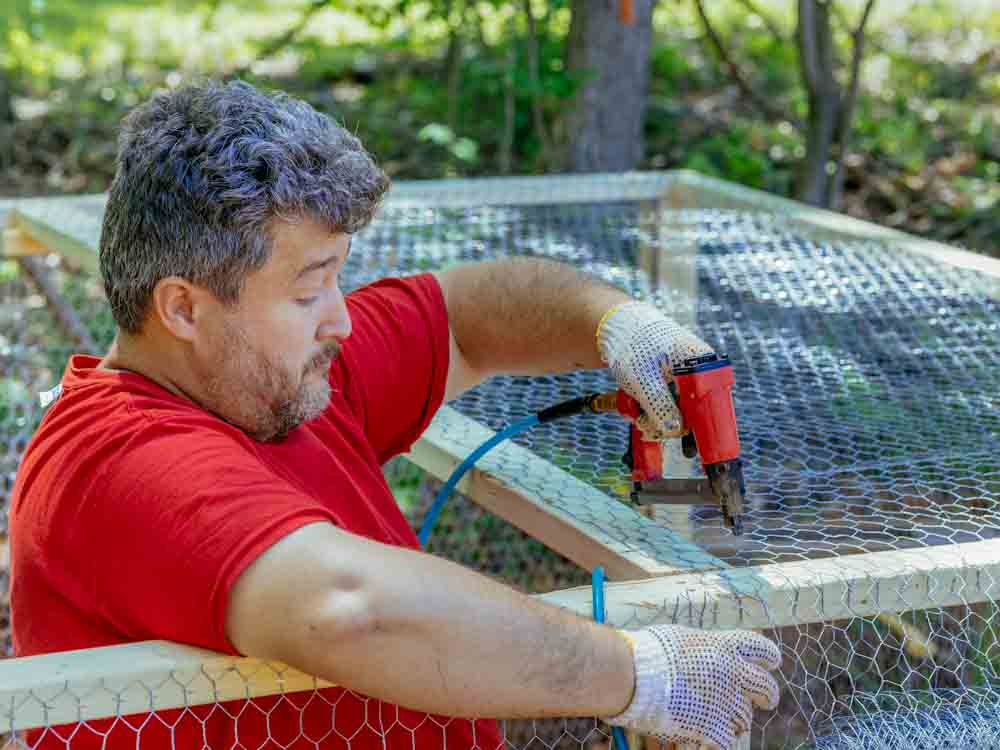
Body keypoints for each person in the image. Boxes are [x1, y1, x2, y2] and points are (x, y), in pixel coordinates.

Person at [9, 79, 781, 750]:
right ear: (182, 307)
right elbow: (349, 607)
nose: (339, 322)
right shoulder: (118, 459)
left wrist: (617, 325)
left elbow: (465, 316)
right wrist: (635, 673)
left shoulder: (274, 380)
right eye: (310, 288)